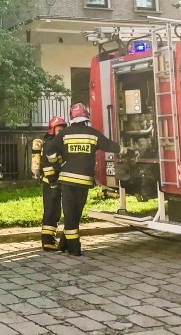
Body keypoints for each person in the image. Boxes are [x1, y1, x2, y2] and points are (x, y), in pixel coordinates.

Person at [43, 103, 120, 256]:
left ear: (72, 117)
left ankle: (68, 245)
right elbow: (109, 145)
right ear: (86, 117)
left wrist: (57, 165)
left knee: (70, 214)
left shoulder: (65, 134)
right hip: (83, 182)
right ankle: (73, 248)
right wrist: (125, 150)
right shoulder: (93, 133)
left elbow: (49, 150)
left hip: (66, 181)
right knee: (75, 214)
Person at [34, 116, 67, 251]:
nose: (62, 132)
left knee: (55, 211)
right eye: (59, 130)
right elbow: (48, 167)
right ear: (53, 130)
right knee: (51, 211)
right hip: (50, 183)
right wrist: (53, 184)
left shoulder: (57, 143)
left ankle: (50, 239)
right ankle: (47, 241)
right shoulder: (50, 144)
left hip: (56, 182)